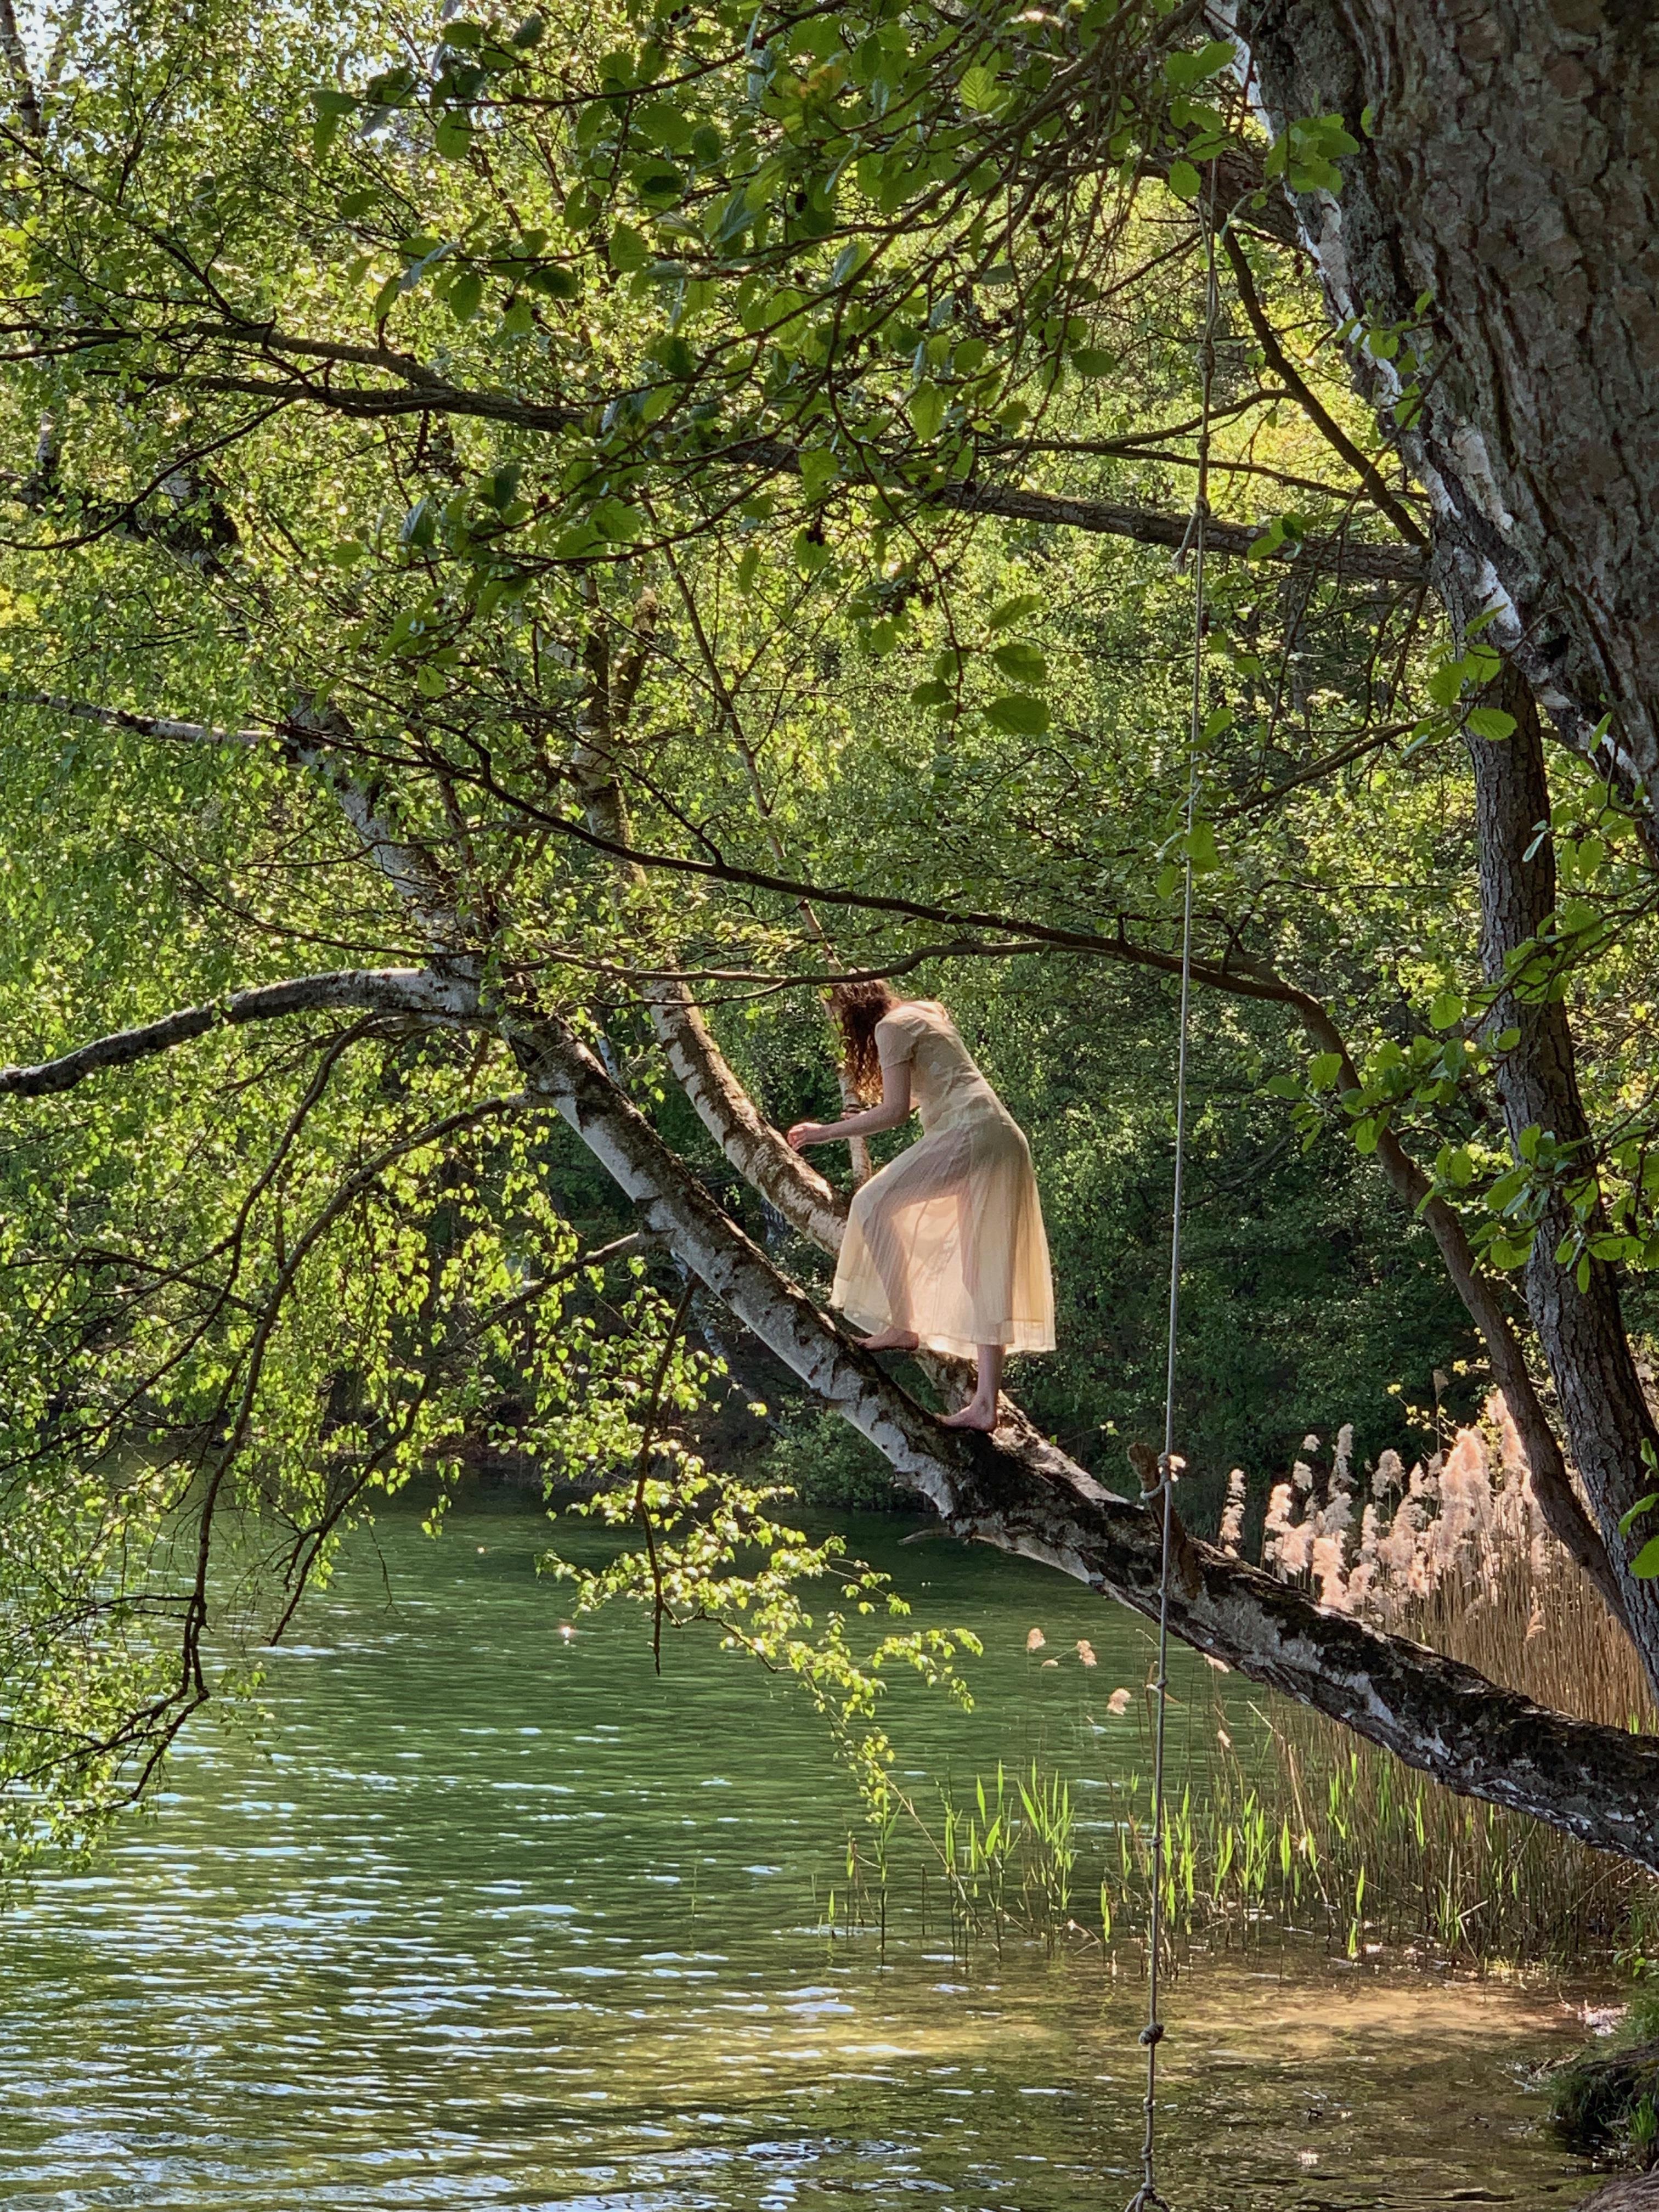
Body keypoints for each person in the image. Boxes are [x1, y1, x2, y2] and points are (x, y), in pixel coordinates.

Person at [787, 980, 1055, 1432]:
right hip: (1000, 1137)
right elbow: (924, 1090)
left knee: (872, 1204)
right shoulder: (926, 1011)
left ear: (856, 1013)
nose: (841, 1030)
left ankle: (903, 1325)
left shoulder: (890, 1028)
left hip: (969, 1132)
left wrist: (823, 1132)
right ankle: (985, 1404)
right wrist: (866, 1115)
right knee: (979, 1268)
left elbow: (894, 1114)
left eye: (840, 1019)